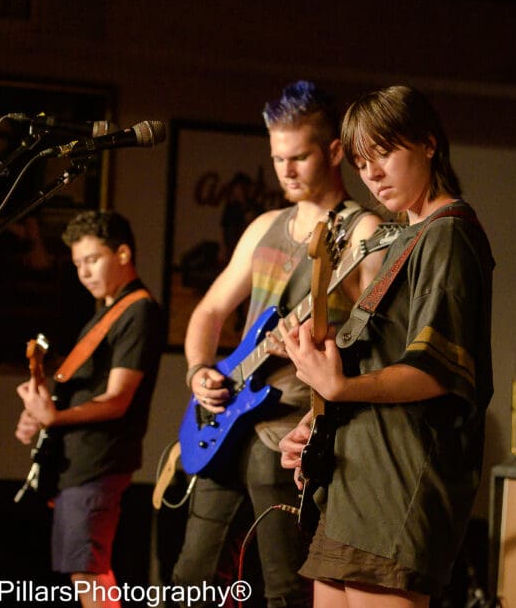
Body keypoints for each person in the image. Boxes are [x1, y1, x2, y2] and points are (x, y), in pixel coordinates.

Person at [278, 85, 495, 608]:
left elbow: (434, 370)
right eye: (361, 162)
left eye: (384, 155)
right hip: (355, 482)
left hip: (398, 488)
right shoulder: (403, 236)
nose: (372, 175)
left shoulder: (449, 235)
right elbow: (380, 357)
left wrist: (342, 386)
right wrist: (319, 419)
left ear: (427, 144)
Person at [172, 80, 383, 608]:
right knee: (190, 580)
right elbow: (210, 310)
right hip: (226, 422)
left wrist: (322, 343)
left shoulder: (364, 233)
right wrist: (200, 370)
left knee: (283, 589)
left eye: (299, 157)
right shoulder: (266, 226)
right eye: (276, 157)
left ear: (334, 151)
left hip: (291, 429)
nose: (284, 170)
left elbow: (378, 340)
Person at [15, 210, 165, 608]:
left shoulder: (139, 311)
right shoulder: (107, 312)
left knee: (90, 570)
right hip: (78, 461)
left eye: (92, 259)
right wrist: (41, 412)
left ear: (122, 254)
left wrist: (55, 417)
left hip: (99, 460)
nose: (84, 272)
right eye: (78, 263)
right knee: (84, 570)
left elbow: (117, 399)